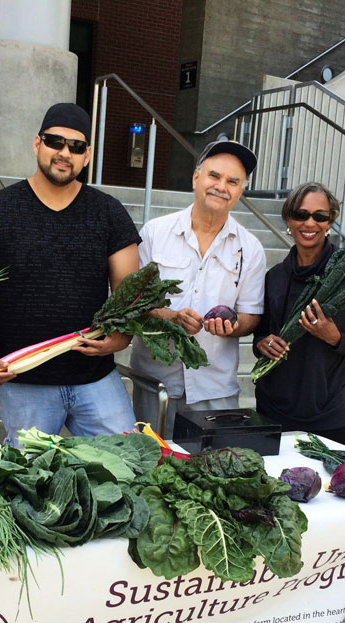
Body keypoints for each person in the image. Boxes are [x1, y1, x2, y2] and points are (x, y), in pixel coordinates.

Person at [0, 102, 141, 444]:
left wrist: (120, 338)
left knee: (129, 469)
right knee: (29, 483)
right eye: (55, 141)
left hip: (97, 378)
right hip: (26, 382)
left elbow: (131, 292)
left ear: (87, 156)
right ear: (37, 143)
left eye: (76, 147)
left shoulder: (109, 213)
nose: (64, 152)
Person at [129, 138, 266, 436]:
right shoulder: (155, 233)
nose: (221, 186)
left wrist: (232, 325)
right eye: (214, 175)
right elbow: (132, 302)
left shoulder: (250, 249)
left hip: (214, 390)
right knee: (150, 469)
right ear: (196, 178)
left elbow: (252, 316)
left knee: (209, 475)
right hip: (156, 385)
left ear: (241, 191)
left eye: (233, 181)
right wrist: (172, 317)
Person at [253, 182, 345, 445]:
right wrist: (262, 343)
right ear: (289, 219)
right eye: (301, 214)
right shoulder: (273, 277)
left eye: (319, 216)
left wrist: (335, 337)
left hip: (327, 413)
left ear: (329, 221)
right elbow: (261, 333)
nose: (309, 223)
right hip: (271, 409)